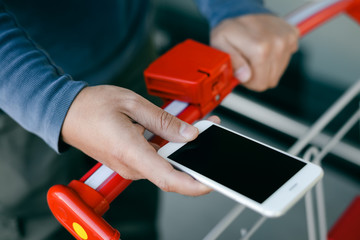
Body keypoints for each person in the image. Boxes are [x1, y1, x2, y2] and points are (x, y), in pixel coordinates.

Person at [0, 0, 298, 239]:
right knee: (46, 225)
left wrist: (233, 6)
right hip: (18, 97)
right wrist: (53, 104)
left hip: (129, 50)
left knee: (138, 200)